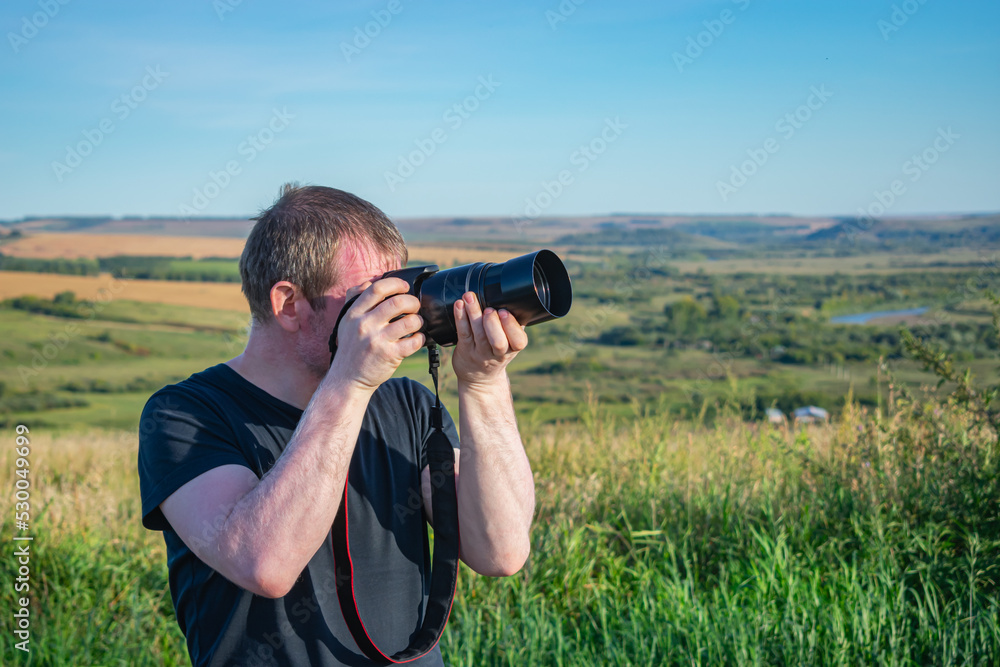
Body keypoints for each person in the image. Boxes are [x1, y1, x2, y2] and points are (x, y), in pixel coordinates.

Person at [138, 184, 535, 666]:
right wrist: (350, 382)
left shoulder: (405, 405)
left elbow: (501, 551)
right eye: (371, 295)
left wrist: (483, 384)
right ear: (289, 304)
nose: (397, 311)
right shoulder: (186, 415)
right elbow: (265, 564)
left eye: (399, 288)